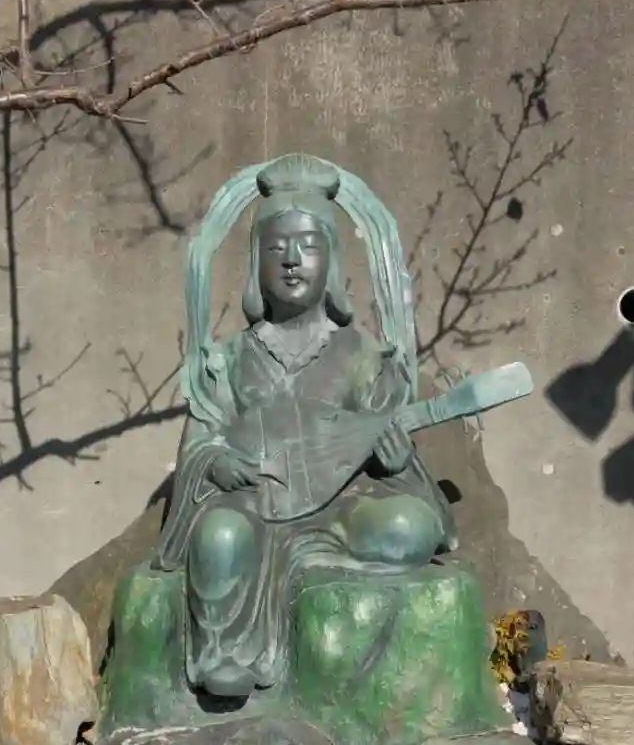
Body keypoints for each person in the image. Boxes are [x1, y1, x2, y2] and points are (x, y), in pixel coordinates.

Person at [154, 164, 454, 698]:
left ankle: (311, 574)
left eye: (308, 246)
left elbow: (380, 438)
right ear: (256, 263)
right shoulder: (228, 358)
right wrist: (216, 462)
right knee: (220, 535)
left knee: (407, 528)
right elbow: (202, 437)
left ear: (331, 262)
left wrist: (398, 463)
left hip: (339, 506)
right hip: (253, 502)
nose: (292, 260)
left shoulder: (363, 355)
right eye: (276, 248)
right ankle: (223, 653)